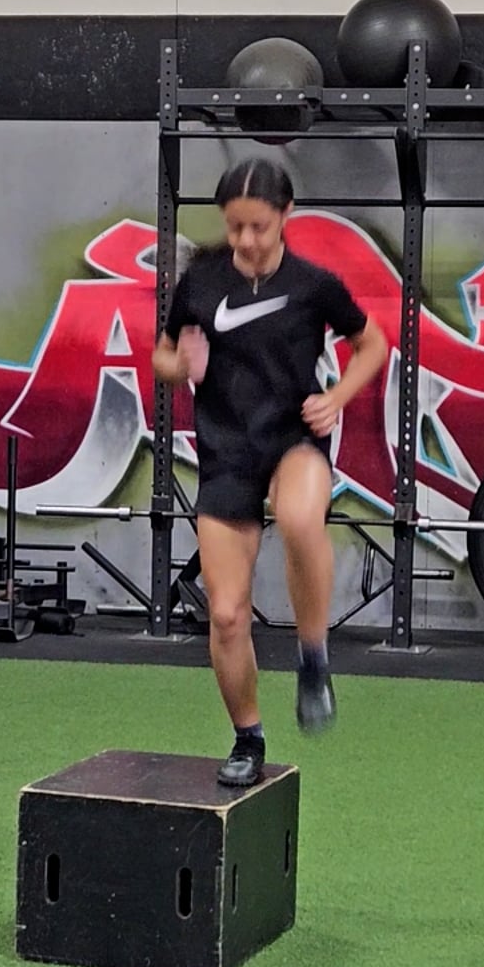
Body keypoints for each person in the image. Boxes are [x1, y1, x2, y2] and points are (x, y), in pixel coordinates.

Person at [154, 158, 388, 786]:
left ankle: (313, 657)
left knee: (300, 517)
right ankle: (248, 738)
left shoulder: (314, 285)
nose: (246, 240)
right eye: (235, 227)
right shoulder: (200, 284)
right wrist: (181, 365)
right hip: (226, 452)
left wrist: (337, 398)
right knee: (227, 615)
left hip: (293, 440)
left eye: (258, 226)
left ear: (286, 215)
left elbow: (373, 343)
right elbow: (163, 356)